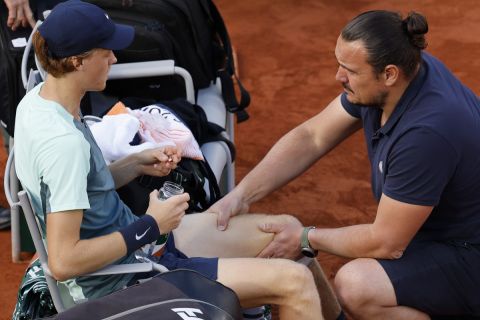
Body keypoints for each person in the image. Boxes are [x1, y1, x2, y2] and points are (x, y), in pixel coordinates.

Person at [13, 1, 345, 319]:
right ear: (76, 62)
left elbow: (81, 188)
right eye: (105, 52)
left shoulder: (37, 103)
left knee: (286, 234)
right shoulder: (64, 145)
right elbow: (63, 261)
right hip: (127, 279)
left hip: (138, 248)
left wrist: (135, 163)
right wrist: (151, 226)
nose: (114, 58)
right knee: (295, 282)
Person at [209, 9, 480, 320]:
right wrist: (240, 195)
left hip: (469, 251)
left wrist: (305, 238)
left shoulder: (427, 133)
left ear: (389, 74)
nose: (338, 77)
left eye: (349, 70)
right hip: (441, 231)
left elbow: (386, 243)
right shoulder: (393, 77)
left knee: (358, 286)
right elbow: (312, 137)